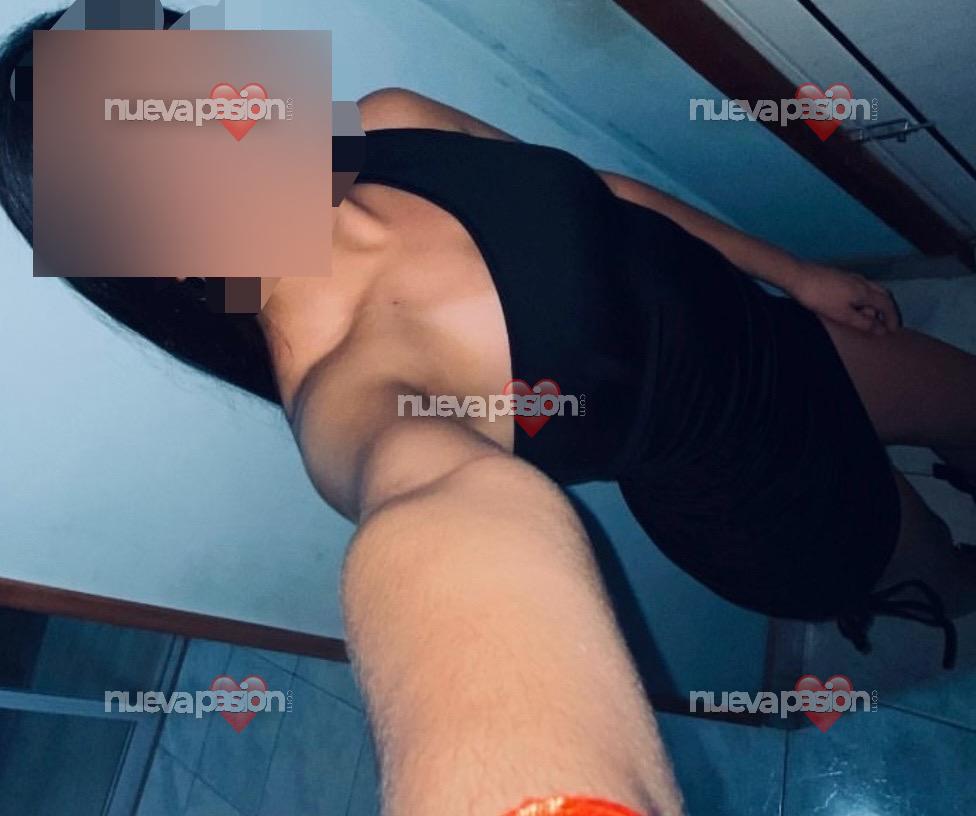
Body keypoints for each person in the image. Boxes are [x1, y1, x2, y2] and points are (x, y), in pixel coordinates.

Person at [3, 9, 975, 815]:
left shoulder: (386, 122)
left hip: (772, 336)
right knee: (928, 551)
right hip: (756, 486)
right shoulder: (353, 390)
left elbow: (605, 193)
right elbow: (442, 517)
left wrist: (792, 272)